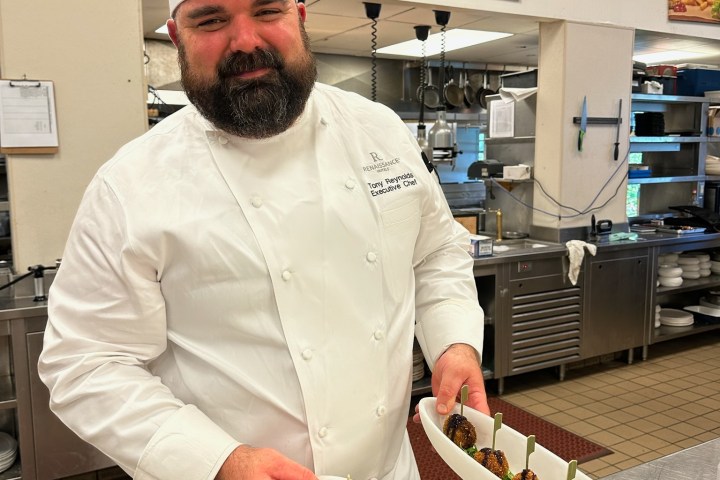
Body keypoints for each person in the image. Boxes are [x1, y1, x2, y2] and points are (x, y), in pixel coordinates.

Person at [38, 0, 489, 478]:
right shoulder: (130, 186)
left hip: (390, 469)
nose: (246, 41)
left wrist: (453, 342)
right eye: (211, 20)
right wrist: (217, 462)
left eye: (266, 11)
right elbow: (85, 363)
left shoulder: (379, 130)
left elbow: (436, 252)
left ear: (299, 16)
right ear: (176, 37)